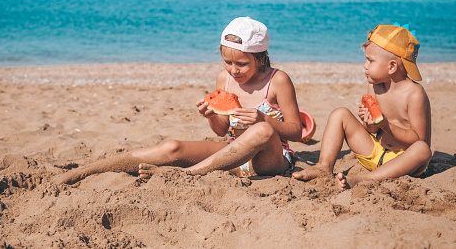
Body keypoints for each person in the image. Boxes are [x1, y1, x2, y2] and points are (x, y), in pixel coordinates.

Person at [53, 17, 302, 185]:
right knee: (172, 147)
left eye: (242, 64)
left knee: (261, 130)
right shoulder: (223, 79)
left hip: (270, 161)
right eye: (228, 62)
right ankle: (86, 171)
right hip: (232, 157)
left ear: (260, 57)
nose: (234, 70)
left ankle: (186, 175)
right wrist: (212, 116)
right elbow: (222, 131)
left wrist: (264, 119)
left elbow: (297, 131)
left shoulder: (277, 80)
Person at [292, 24, 432, 191]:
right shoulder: (375, 86)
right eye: (366, 59)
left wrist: (385, 125)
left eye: (370, 61)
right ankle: (324, 166)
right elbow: (372, 130)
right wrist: (369, 122)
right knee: (340, 114)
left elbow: (418, 139)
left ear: (392, 66)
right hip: (376, 153)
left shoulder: (414, 94)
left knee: (423, 150)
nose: (365, 66)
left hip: (404, 163)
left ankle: (364, 179)